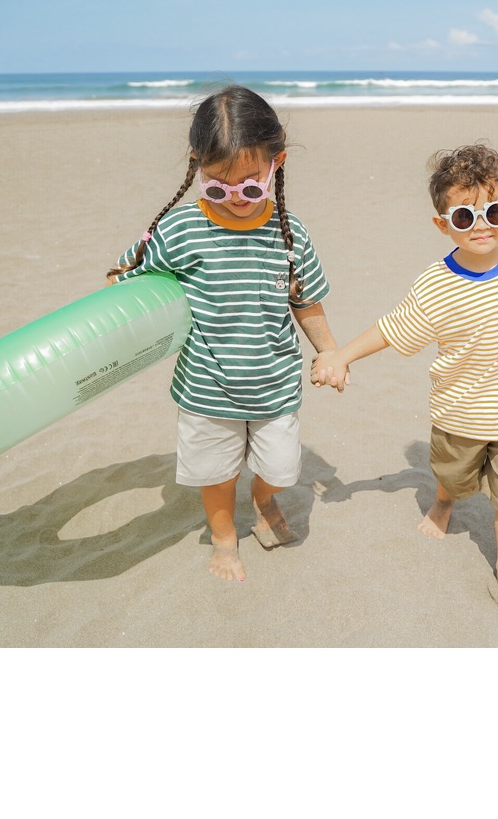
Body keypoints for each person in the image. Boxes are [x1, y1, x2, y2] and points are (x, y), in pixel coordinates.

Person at [109, 85, 340, 583]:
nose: (235, 198)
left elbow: (306, 301)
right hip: (206, 387)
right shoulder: (180, 230)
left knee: (280, 470)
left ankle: (263, 499)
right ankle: (223, 536)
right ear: (197, 165)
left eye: (250, 187)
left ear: (277, 163)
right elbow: (124, 278)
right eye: (217, 187)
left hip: (275, 386)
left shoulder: (290, 233)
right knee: (215, 475)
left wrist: (329, 351)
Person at [312, 144, 498, 612]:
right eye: (464, 216)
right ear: (443, 225)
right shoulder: (436, 285)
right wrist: (342, 356)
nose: (481, 225)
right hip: (459, 412)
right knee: (452, 476)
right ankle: (444, 502)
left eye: (494, 211)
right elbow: (392, 327)